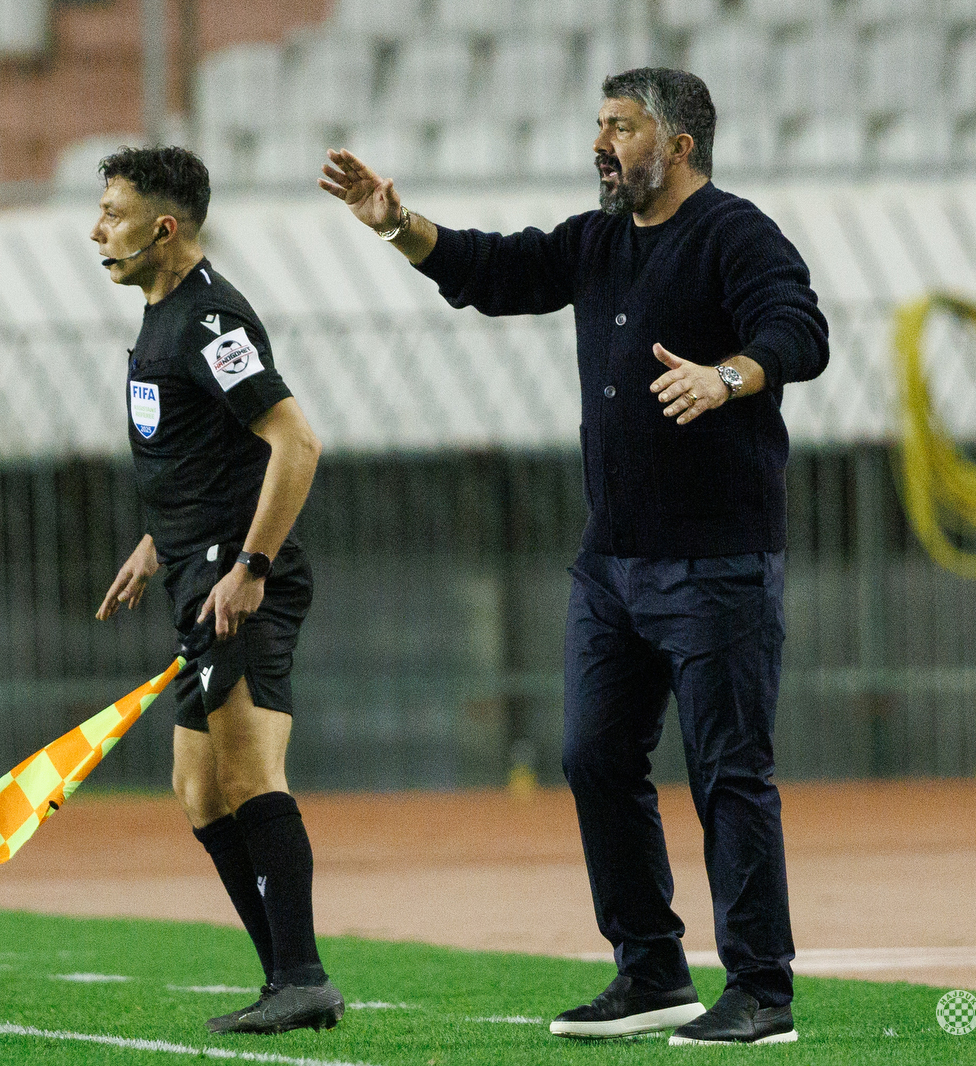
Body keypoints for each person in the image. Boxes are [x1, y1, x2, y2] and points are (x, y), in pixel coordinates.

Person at [320, 68, 827, 1046]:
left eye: (622, 127)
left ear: (677, 147)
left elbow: (797, 333)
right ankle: (651, 973)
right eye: (597, 125)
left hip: (716, 564)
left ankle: (760, 990)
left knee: (728, 773)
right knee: (592, 756)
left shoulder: (735, 233)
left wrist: (729, 377)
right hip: (611, 568)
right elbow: (493, 272)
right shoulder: (596, 240)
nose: (601, 144)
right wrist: (395, 221)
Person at [91, 145, 341, 1035]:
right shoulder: (162, 317)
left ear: (164, 227)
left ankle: (302, 975)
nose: (97, 232)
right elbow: (210, 453)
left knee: (246, 771)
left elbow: (294, 443)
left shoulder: (208, 322)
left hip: (238, 579)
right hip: (196, 570)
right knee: (198, 788)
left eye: (113, 215)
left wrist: (251, 566)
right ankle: (287, 977)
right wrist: (158, 543)